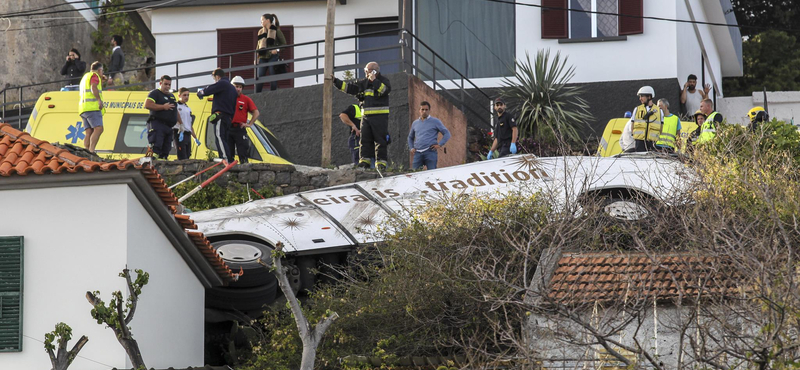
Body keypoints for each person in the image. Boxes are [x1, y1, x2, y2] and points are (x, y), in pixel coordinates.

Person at [332, 61, 392, 170]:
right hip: (366, 118)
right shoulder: (363, 83)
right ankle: (364, 161)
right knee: (364, 140)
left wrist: (374, 80)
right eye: (365, 71)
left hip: (379, 117)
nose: (365, 73)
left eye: (367, 71)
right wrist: (336, 81)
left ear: (374, 71)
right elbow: (350, 88)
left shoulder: (384, 81)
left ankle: (381, 163)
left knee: (380, 140)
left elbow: (384, 90)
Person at [197, 68, 238, 164]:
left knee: (219, 136)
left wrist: (200, 93)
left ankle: (225, 159)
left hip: (220, 115)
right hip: (228, 117)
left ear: (217, 76)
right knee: (224, 138)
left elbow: (209, 89)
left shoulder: (222, 83)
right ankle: (229, 158)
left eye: (214, 78)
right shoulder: (232, 88)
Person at [144, 75, 182, 159]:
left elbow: (175, 110)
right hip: (158, 124)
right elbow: (147, 105)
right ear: (160, 83)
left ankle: (162, 164)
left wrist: (181, 124)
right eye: (165, 84)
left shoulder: (171, 96)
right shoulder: (155, 93)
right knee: (156, 148)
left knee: (166, 150)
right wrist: (163, 107)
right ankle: (153, 164)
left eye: (169, 85)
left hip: (168, 127)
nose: (167, 86)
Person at [408, 101, 451, 170]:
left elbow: (447, 133)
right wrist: (411, 148)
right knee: (415, 174)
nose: (424, 111)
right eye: (422, 109)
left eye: (426, 109)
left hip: (430, 152)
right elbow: (410, 137)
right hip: (418, 153)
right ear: (419, 110)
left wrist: (440, 144)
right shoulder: (415, 123)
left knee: (432, 174)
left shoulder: (435, 121)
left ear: (429, 110)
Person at [229, 76, 260, 164]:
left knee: (243, 152)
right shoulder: (227, 98)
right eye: (236, 86)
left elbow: (256, 112)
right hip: (228, 128)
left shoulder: (246, 99)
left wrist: (249, 124)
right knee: (229, 154)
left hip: (240, 129)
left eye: (240, 87)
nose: (238, 89)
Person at [78, 62, 105, 153]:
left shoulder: (85, 77)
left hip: (83, 108)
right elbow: (93, 87)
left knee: (89, 131)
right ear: (100, 70)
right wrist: (99, 100)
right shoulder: (94, 76)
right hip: (92, 107)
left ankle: (86, 151)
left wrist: (101, 78)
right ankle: (92, 150)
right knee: (99, 129)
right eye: (102, 71)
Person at [256, 13, 286, 92]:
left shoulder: (276, 30)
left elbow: (284, 44)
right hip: (263, 57)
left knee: (272, 75)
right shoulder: (260, 32)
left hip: (273, 56)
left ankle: (273, 93)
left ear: (268, 20)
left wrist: (277, 50)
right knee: (260, 76)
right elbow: (258, 46)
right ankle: (257, 94)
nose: (261, 22)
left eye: (262, 20)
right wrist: (257, 57)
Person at [630, 86, 663, 152]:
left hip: (652, 142)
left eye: (642, 96)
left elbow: (661, 128)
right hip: (639, 142)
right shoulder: (637, 109)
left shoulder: (659, 111)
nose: (640, 98)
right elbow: (632, 125)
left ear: (649, 97)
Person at [175, 87, 201, 160]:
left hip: (187, 134)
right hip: (179, 132)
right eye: (184, 95)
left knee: (188, 154)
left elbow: (189, 124)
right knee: (182, 155)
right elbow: (174, 118)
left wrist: (195, 138)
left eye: (188, 95)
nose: (186, 97)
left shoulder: (188, 108)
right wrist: (180, 126)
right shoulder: (176, 106)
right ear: (179, 96)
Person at [339, 95, 364, 165]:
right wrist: (353, 126)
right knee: (359, 160)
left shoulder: (369, 110)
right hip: (357, 137)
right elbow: (342, 115)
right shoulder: (355, 108)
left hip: (368, 138)